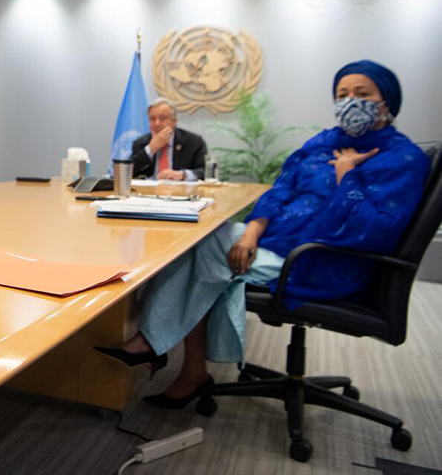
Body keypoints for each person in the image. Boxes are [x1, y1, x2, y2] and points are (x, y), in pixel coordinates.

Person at [96, 60, 430, 409]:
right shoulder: (324, 142)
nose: (349, 102)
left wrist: (347, 176)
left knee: (198, 257)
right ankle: (174, 359)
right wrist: (251, 233)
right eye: (342, 94)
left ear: (387, 101)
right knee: (196, 240)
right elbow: (280, 191)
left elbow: (375, 230)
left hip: (322, 259)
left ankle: (157, 348)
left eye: (362, 94)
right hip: (274, 242)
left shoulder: (402, 158)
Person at [130, 98, 207, 181]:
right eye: (152, 119)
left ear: (174, 121)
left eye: (162, 118)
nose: (157, 123)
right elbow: (128, 172)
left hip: (181, 192)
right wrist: (151, 148)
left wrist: (183, 175)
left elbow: (205, 171)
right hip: (149, 192)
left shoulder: (194, 142)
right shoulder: (141, 143)